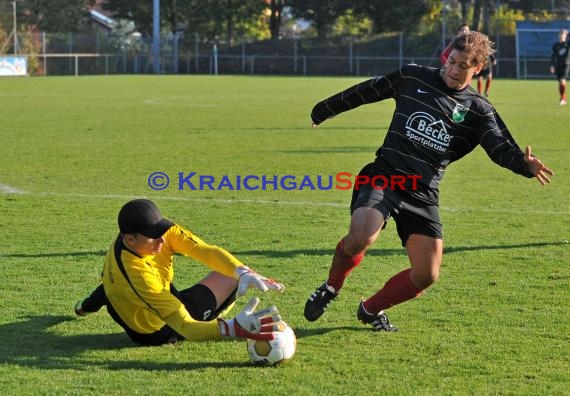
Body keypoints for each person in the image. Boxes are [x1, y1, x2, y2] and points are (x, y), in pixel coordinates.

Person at [303, 31, 554, 332]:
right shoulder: (413, 77)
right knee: (362, 235)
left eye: (463, 66)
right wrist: (325, 109)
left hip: (423, 192)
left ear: (478, 69)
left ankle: (371, 309)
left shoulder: (478, 110)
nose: (453, 69)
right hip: (385, 175)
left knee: (426, 274)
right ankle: (330, 288)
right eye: (452, 61)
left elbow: (499, 146)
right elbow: (369, 90)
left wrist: (524, 165)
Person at [74, 198, 285, 346]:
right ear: (130, 239)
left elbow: (205, 251)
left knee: (233, 272)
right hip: (154, 328)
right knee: (229, 281)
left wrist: (243, 271)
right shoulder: (140, 278)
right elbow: (186, 326)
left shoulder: (149, 234)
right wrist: (233, 328)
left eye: (161, 230)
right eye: (152, 236)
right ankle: (202, 323)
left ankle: (85, 306)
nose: (163, 240)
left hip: (120, 296)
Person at [549, 29, 569, 105]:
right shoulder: (556, 45)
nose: (561, 36)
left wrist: (568, 32)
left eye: (563, 34)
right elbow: (553, 56)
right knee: (560, 82)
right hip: (558, 65)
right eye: (560, 34)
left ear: (565, 36)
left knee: (562, 79)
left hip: (566, 64)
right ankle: (563, 98)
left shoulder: (568, 44)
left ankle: (562, 99)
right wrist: (552, 65)